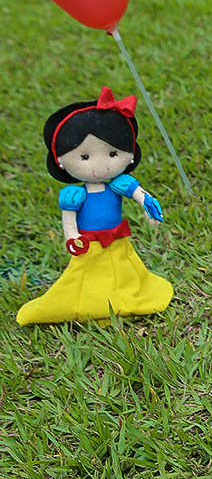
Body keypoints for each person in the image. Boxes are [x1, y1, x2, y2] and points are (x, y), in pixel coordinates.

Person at [17, 87, 171, 325]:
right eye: (85, 157)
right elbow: (69, 218)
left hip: (118, 242)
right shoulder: (75, 195)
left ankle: (126, 299)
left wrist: (148, 205)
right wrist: (72, 237)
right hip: (89, 245)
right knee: (84, 279)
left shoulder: (120, 183)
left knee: (126, 272)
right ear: (61, 162)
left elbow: (139, 194)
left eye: (113, 154)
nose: (102, 166)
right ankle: (88, 306)